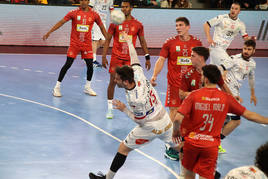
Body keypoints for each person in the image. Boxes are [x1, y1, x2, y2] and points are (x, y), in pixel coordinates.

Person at [89, 32, 177, 179]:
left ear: (125, 81)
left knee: (123, 149)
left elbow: (140, 121)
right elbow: (135, 58)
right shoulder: (137, 73)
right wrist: (130, 43)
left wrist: (124, 109)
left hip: (151, 126)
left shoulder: (135, 100)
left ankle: (107, 178)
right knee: (180, 147)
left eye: (117, 79)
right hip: (166, 121)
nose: (114, 81)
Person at [173, 64, 268, 179]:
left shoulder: (193, 95)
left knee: (187, 176)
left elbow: (177, 119)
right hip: (210, 147)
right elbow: (249, 115)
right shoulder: (226, 98)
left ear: (206, 79)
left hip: (191, 144)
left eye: (202, 76)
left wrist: (176, 132)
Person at [150, 17, 202, 160]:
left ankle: (187, 142)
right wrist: (154, 75)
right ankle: (170, 144)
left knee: (190, 114)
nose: (178, 28)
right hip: (174, 84)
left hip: (192, 84)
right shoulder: (170, 42)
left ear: (188, 27)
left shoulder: (197, 43)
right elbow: (161, 59)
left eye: (181, 25)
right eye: (176, 25)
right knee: (174, 112)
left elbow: (201, 62)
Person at [43, 0, 107, 97]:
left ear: (88, 1)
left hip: (86, 45)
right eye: (81, 0)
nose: (83, 2)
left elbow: (102, 27)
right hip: (75, 44)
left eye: (85, 0)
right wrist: (49, 32)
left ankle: (87, 87)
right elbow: (61, 22)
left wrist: (108, 38)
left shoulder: (94, 15)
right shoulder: (73, 13)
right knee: (68, 64)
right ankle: (56, 87)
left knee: (90, 66)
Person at [102, 0, 151, 119]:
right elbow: (108, 40)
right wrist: (103, 56)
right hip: (116, 58)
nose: (123, 9)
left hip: (130, 59)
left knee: (132, 84)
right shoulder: (114, 23)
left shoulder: (138, 24)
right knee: (113, 82)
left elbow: (142, 41)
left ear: (131, 8)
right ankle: (109, 109)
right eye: (122, 7)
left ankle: (136, 109)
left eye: (126, 7)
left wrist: (147, 57)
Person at [219, 39, 257, 150]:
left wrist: (252, 94)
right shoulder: (234, 58)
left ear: (254, 51)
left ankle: (214, 139)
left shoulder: (252, 64)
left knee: (224, 119)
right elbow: (222, 67)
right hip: (227, 92)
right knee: (236, 121)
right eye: (245, 48)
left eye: (249, 49)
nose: (246, 51)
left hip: (235, 93)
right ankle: (217, 141)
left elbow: (251, 78)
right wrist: (224, 73)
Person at [203, 1, 251, 66]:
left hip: (223, 49)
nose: (233, 10)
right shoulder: (222, 18)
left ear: (239, 11)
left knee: (214, 70)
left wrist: (250, 39)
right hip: (216, 47)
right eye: (232, 8)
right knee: (229, 65)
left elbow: (245, 38)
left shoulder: (240, 24)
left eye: (236, 9)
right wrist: (209, 38)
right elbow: (206, 24)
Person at [89, 0, 114, 68]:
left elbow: (111, 9)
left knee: (104, 41)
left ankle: (88, 53)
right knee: (95, 40)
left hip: (103, 21)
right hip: (95, 21)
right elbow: (89, 8)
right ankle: (93, 61)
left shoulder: (110, 0)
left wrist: (114, 19)